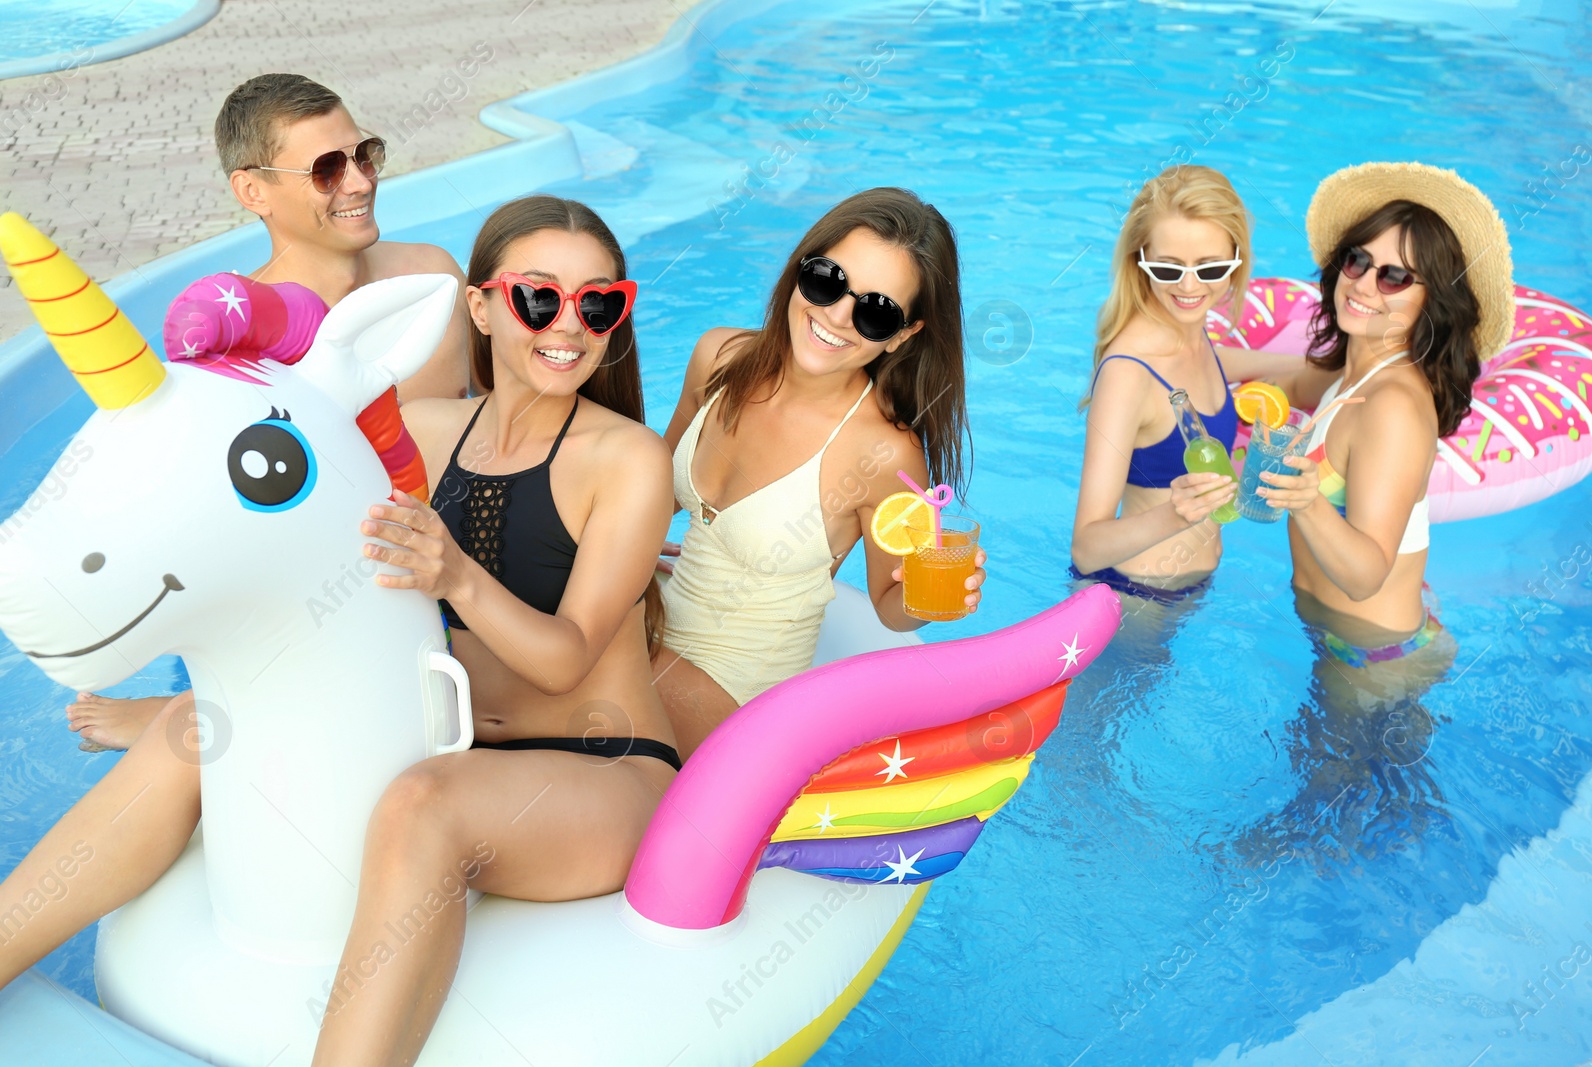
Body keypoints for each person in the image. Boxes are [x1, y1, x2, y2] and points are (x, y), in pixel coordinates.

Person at [0, 195, 677, 1067]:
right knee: (191, 735)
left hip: (597, 764)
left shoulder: (626, 458)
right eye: (538, 298)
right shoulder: (423, 432)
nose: (569, 325)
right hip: (443, 735)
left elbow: (565, 658)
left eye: (599, 304)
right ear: (479, 305)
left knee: (422, 808)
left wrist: (456, 576)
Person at [66, 72, 474, 751]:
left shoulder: (430, 278)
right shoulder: (236, 342)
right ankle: (194, 708)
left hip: (452, 559)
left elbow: (492, 411)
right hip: (326, 600)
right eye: (325, 169)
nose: (359, 182)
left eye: (363, 154)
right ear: (253, 191)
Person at [653, 187, 984, 759]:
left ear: (903, 334)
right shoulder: (719, 358)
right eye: (829, 280)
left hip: (737, 702)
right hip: (656, 628)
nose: (835, 316)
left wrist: (933, 601)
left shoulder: (883, 453)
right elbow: (657, 496)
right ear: (801, 267)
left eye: (876, 312)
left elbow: (889, 604)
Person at [1254, 162, 1511, 667]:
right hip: (1348, 631)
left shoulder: (1391, 406)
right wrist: (1201, 359)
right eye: (1358, 260)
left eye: (1395, 277)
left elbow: (1365, 575)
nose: (1365, 284)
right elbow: (1292, 377)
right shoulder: (1356, 372)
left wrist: (1306, 501)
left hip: (1372, 657)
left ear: (1429, 301)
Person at [1070, 165, 1251, 607]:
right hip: (1135, 597)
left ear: (1236, 261)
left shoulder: (1193, 331)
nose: (1190, 287)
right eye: (1169, 270)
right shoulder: (1128, 374)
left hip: (1189, 589)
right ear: (1141, 262)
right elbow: (1086, 549)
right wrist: (1175, 514)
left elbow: (1289, 372)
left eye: (1210, 269)